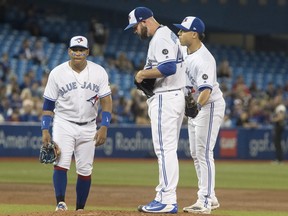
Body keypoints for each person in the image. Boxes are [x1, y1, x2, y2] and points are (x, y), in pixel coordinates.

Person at [124, 6, 186, 214]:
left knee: (165, 150)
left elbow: (169, 68)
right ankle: (163, 195)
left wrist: (142, 74)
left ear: (144, 21)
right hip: (173, 96)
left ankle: (167, 200)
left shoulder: (160, 37)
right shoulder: (167, 34)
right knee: (167, 150)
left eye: (135, 26)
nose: (134, 31)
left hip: (166, 98)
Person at [41, 36, 112, 211]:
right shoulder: (57, 73)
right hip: (63, 123)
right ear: (69, 51)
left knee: (85, 169)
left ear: (87, 52)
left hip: (89, 125)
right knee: (61, 163)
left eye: (81, 50)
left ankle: (80, 209)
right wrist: (45, 129)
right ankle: (61, 203)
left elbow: (107, 101)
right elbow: (48, 104)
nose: (78, 53)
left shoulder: (99, 71)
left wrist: (104, 125)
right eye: (75, 49)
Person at [174, 16, 225, 214]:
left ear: (194, 34)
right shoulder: (184, 50)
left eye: (182, 30)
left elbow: (206, 91)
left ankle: (203, 201)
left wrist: (195, 108)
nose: (179, 33)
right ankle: (210, 196)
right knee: (196, 153)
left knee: (204, 153)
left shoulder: (205, 59)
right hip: (196, 107)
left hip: (209, 106)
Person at [271, 95, 286, 164]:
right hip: (278, 126)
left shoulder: (280, 107)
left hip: (279, 126)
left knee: (277, 143)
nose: (275, 100)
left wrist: (273, 119)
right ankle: (279, 159)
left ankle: (279, 159)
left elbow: (281, 117)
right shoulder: (278, 107)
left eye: (276, 99)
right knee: (277, 143)